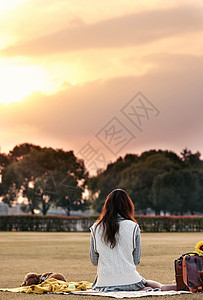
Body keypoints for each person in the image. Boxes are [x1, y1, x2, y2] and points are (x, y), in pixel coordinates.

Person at [89, 189, 177, 292]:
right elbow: (136, 260)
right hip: (130, 279)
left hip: (104, 284)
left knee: (141, 282)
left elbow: (94, 261)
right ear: (127, 206)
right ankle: (161, 287)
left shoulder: (95, 228)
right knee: (142, 281)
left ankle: (147, 289)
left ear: (107, 206)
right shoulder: (133, 227)